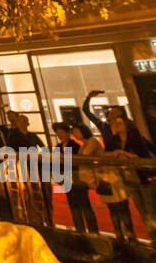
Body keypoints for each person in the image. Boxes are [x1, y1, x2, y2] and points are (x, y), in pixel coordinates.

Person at [83, 91, 156, 242]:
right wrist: (88, 98)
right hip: (119, 173)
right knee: (128, 206)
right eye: (110, 114)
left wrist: (127, 154)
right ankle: (130, 234)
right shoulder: (106, 129)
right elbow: (87, 113)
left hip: (139, 176)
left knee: (146, 209)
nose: (113, 118)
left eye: (117, 115)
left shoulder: (135, 136)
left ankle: (141, 234)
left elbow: (147, 151)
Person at [53, 122, 98, 236]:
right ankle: (80, 230)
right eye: (58, 133)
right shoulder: (58, 147)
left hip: (77, 178)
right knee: (73, 205)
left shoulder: (75, 146)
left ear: (68, 133)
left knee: (84, 204)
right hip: (66, 179)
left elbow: (75, 163)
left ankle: (93, 231)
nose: (60, 135)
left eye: (62, 133)